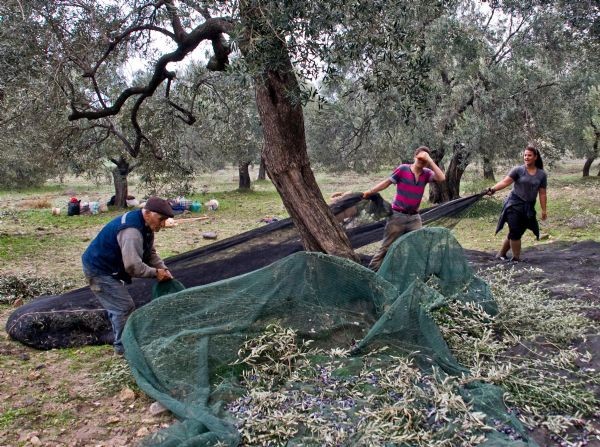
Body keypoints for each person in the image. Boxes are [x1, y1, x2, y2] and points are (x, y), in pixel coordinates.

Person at [82, 196, 175, 355]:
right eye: (160, 219)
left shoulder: (146, 226)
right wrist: (155, 273)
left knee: (119, 306)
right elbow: (133, 267)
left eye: (165, 220)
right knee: (123, 307)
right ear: (147, 213)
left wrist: (162, 268)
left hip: (112, 267)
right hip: (100, 269)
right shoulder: (132, 231)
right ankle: (123, 348)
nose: (162, 224)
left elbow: (149, 253)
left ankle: (123, 339)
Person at [363, 146, 446, 271]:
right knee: (386, 248)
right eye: (420, 158)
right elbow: (387, 182)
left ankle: (413, 275)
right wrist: (370, 191)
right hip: (397, 216)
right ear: (414, 157)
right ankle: (371, 274)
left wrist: (430, 160)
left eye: (424, 160)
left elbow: (442, 178)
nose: (421, 162)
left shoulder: (426, 174)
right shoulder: (403, 169)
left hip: (414, 218)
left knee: (418, 247)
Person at [486, 146, 548, 262]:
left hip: (528, 208)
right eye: (525, 155)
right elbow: (505, 182)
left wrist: (544, 210)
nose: (526, 157)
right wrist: (493, 189)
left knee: (516, 232)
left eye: (529, 155)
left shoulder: (541, 175)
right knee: (515, 231)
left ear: (535, 157)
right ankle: (516, 259)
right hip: (513, 205)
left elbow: (542, 193)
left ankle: (501, 254)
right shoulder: (518, 170)